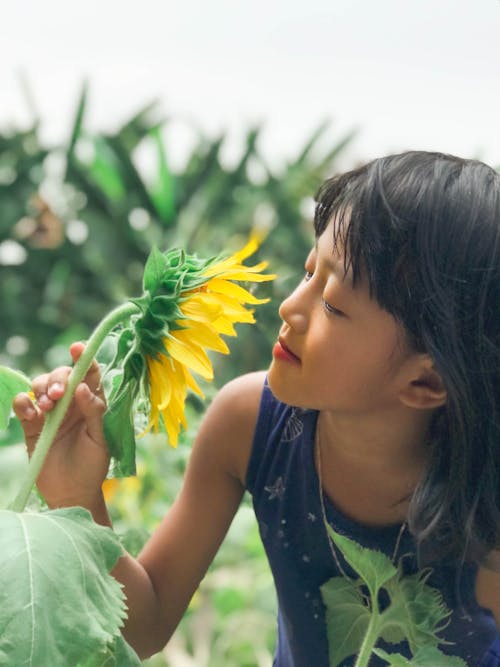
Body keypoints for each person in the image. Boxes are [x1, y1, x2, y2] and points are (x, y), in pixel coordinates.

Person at [14, 151, 499, 667]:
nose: (291, 306)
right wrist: (78, 494)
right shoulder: (250, 426)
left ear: (424, 379)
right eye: (311, 271)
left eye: (333, 303)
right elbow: (146, 623)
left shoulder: (483, 492)